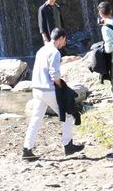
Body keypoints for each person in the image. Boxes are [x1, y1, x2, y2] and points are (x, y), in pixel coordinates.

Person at [23, 28, 84, 161]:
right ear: (61, 38)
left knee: (36, 119)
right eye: (65, 40)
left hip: (37, 89)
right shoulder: (55, 52)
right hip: (49, 90)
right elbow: (55, 75)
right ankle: (68, 145)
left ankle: (27, 149)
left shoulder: (42, 50)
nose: (65, 43)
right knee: (68, 115)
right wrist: (63, 87)